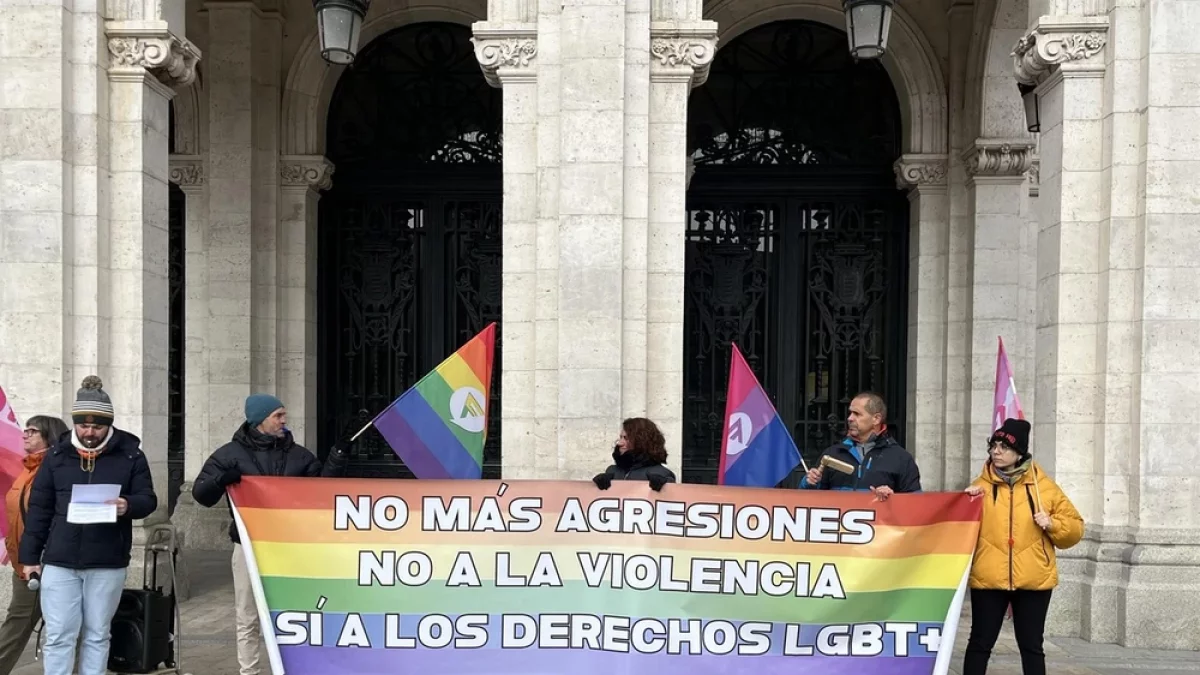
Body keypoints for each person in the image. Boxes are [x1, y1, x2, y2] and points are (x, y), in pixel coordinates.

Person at [191, 394, 350, 675]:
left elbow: (321, 493)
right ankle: (249, 671)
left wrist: (337, 457)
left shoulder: (298, 455)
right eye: (277, 415)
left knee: (296, 614)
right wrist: (220, 479)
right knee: (247, 615)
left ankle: (298, 667)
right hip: (248, 546)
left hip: (290, 549)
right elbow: (201, 495)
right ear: (259, 420)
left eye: (283, 414)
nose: (284, 420)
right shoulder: (228, 455)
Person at [18, 377, 158, 675]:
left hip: (107, 560)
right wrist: (29, 558)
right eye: (83, 426)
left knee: (97, 633)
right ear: (75, 423)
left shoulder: (131, 455)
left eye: (97, 427)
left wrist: (127, 505)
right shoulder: (56, 456)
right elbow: (40, 510)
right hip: (59, 559)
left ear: (109, 424)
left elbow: (148, 499)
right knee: (58, 634)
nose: (90, 432)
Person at [962, 418, 1084, 675]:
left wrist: (1052, 524)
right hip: (989, 579)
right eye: (994, 445)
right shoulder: (979, 487)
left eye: (1004, 446)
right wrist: (964, 505)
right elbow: (959, 531)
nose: (996, 451)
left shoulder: (1044, 488)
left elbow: (1075, 529)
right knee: (980, 644)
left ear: (1019, 453)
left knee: (1031, 646)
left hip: (1033, 580)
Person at [0, 415, 69, 672]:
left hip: (42, 563)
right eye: (25, 429)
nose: (24, 434)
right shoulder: (28, 469)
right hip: (24, 561)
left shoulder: (52, 470)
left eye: (32, 431)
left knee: (20, 623)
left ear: (49, 436)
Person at [800, 391, 921, 500]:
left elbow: (916, 506)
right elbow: (807, 503)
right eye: (850, 413)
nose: (849, 418)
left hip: (880, 524)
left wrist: (892, 498)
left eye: (857, 414)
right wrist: (808, 483)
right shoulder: (832, 454)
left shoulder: (901, 459)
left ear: (876, 419)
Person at [592, 417, 676, 491]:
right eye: (620, 437)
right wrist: (596, 487)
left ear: (642, 441)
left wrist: (666, 487)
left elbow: (673, 501)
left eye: (626, 438)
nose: (620, 443)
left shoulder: (660, 473)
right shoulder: (612, 471)